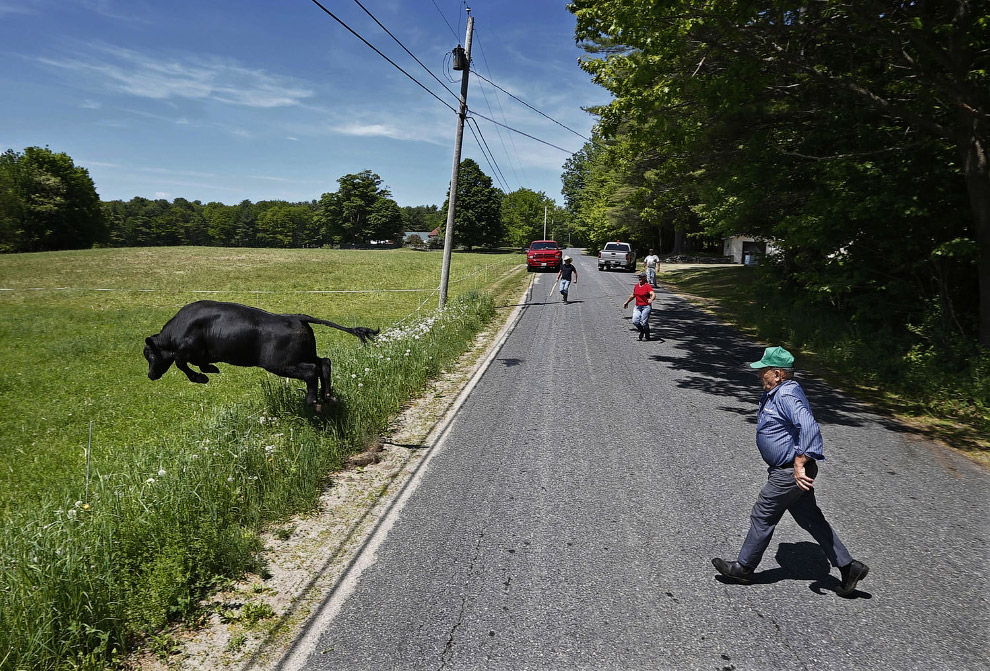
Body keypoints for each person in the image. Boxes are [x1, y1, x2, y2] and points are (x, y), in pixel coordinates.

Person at [711, 346, 869, 597]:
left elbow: (810, 428)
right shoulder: (778, 391)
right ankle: (850, 568)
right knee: (811, 519)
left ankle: (743, 568)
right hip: (788, 471)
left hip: (788, 472)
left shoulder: (786, 396)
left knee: (763, 514)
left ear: (777, 373)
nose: (758, 375)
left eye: (762, 371)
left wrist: (799, 462)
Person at [622, 272, 655, 340]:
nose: (640, 278)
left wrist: (651, 299)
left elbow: (653, 294)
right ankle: (642, 331)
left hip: (646, 306)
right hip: (638, 306)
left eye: (641, 277)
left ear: (645, 278)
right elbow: (633, 295)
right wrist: (627, 302)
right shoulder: (636, 286)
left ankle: (647, 333)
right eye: (639, 277)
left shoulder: (647, 286)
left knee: (644, 322)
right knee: (635, 321)